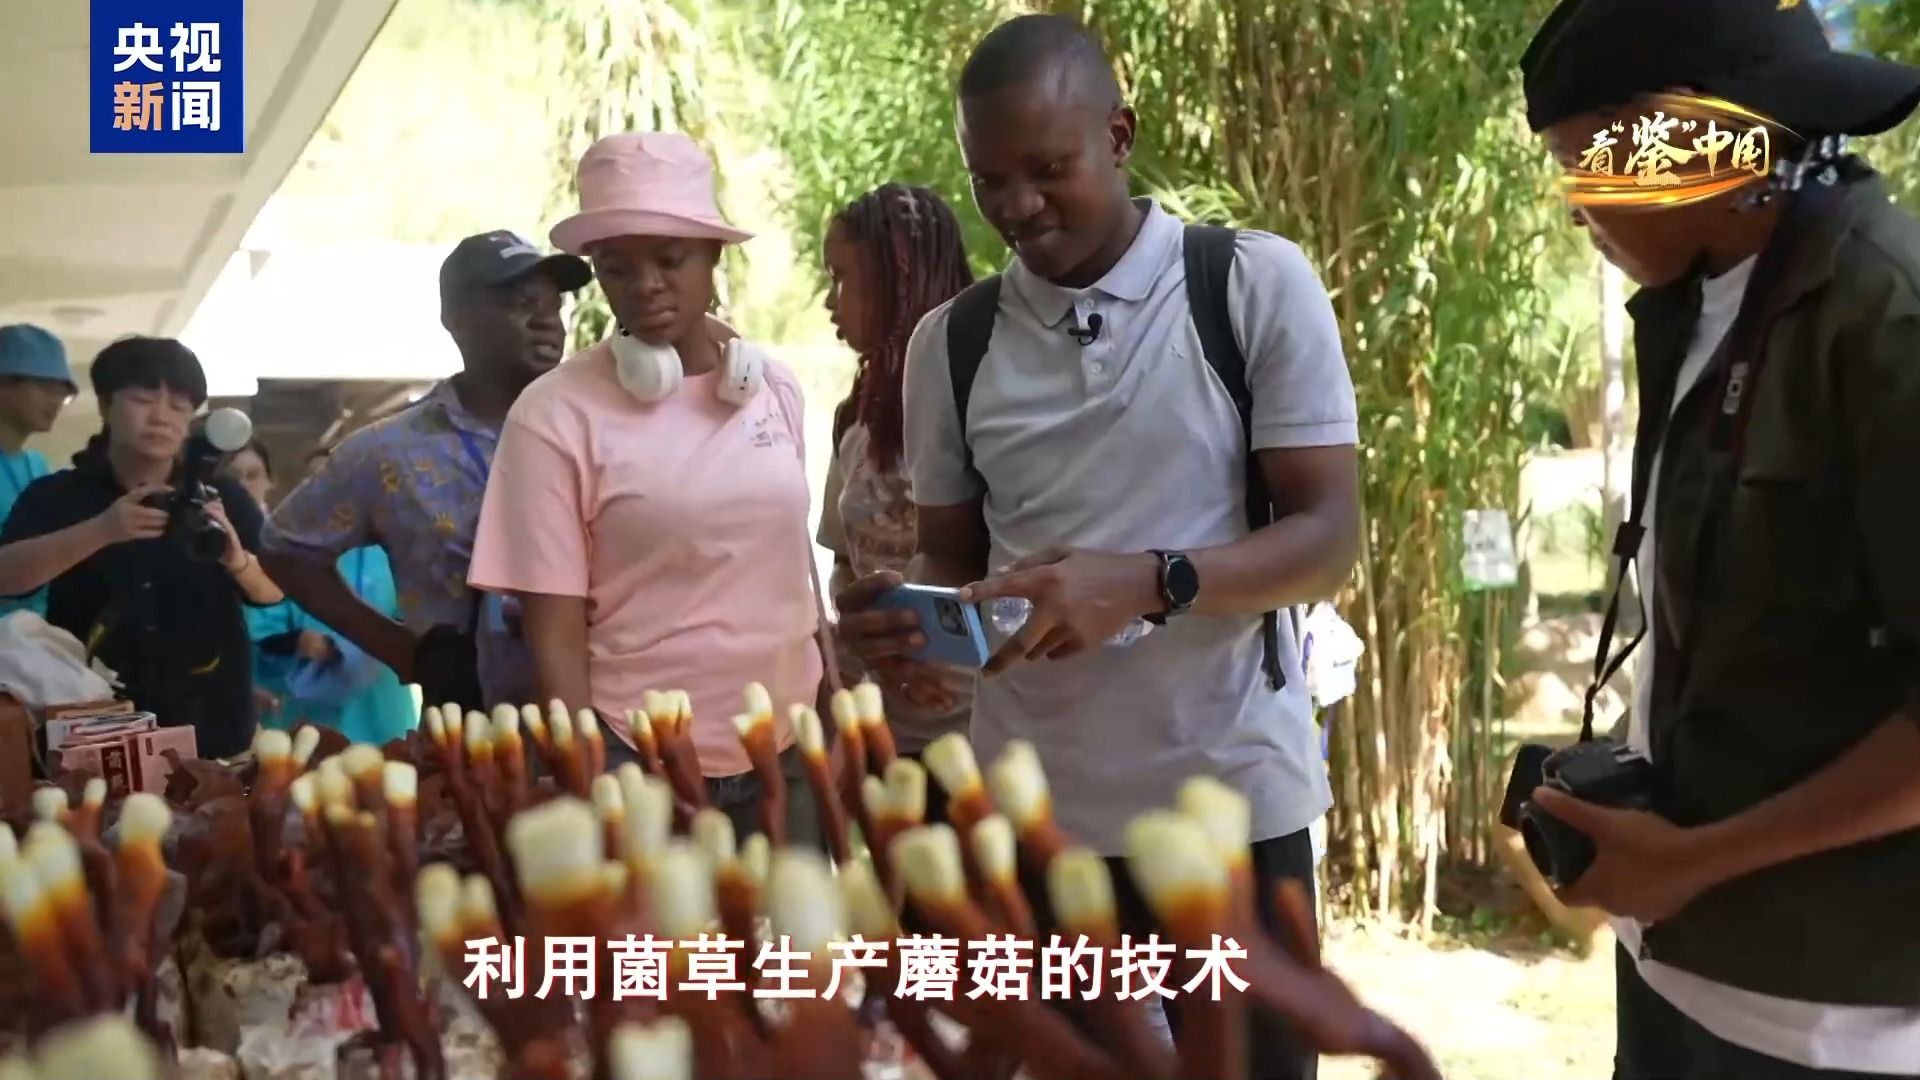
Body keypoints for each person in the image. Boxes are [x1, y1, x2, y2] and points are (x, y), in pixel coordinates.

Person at [836, 16, 1361, 1080]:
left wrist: (1151, 583)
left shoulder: (1248, 286)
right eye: (991, 181)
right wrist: (911, 623)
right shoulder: (953, 344)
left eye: (1048, 170)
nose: (1019, 207)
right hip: (1045, 816)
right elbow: (955, 563)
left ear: (1118, 136)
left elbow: (1326, 539)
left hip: (1232, 803)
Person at [1518, 2, 1920, 1077]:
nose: (1576, 212)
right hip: (1674, 973)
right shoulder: (1697, 302)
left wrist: (1696, 861)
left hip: (1833, 1028)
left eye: (1582, 168)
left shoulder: (1888, 318)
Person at [468, 132, 824, 847]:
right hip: (637, 758)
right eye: (618, 268)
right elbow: (553, 631)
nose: (647, 285)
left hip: (787, 750)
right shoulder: (553, 415)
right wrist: (589, 787)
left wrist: (829, 725)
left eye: (669, 258)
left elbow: (795, 578)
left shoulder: (774, 389)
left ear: (714, 255)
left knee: (797, 928)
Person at [259, 230, 593, 714]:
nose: (545, 320)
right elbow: (284, 548)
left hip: (616, 717)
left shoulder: (601, 431)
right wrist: (398, 648)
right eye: (521, 303)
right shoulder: (388, 451)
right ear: (455, 317)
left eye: (553, 306)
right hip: (473, 725)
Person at [0, 338, 283, 758]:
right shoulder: (59, 495)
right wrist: (101, 530)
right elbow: (7, 577)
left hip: (214, 725)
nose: (161, 417)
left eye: (180, 406)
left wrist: (236, 560)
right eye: (143, 399)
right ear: (105, 405)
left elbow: (273, 590)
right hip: (96, 727)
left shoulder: (219, 495)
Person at [816, 183, 978, 824]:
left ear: (896, 281)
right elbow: (842, 563)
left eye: (842, 278)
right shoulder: (855, 418)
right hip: (889, 733)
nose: (830, 301)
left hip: (984, 735)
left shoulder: (984, 407)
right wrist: (873, 646)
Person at [229, 440, 414, 745]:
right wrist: (297, 641)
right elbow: (261, 631)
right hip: (304, 714)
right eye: (316, 482)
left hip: (379, 713)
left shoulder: (393, 553)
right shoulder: (283, 552)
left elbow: (417, 619)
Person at [0, 324, 77, 620]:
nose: (55, 401)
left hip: (32, 632)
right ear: (5, 384)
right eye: (46, 388)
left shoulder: (37, 467)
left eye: (62, 393)